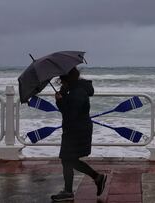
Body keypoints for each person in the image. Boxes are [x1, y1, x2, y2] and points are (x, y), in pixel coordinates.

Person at [51, 67, 106, 202]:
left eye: (62, 81)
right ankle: (95, 178)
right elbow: (70, 110)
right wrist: (63, 94)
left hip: (77, 130)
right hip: (76, 129)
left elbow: (70, 114)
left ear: (67, 79)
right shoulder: (74, 90)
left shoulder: (77, 93)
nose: (61, 83)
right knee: (68, 159)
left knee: (67, 159)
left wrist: (59, 101)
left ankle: (71, 190)